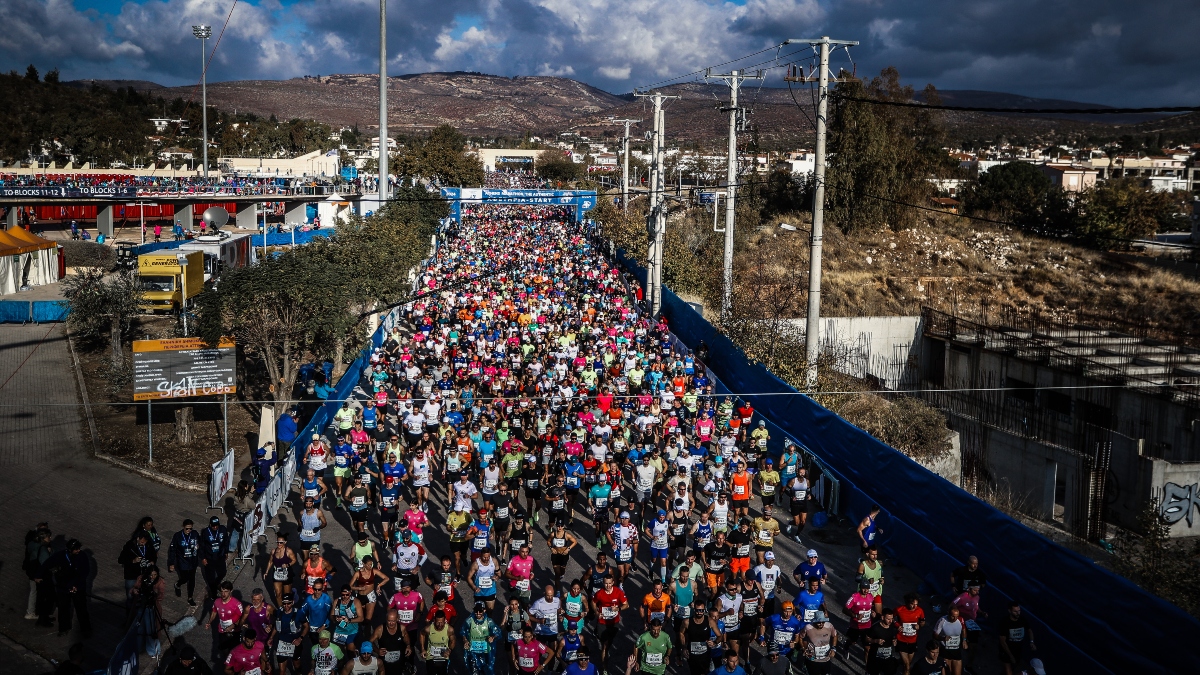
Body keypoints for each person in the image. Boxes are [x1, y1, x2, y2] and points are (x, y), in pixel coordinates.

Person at [43, 539, 91, 637]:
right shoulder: (60, 556)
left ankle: (85, 629)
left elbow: (84, 572)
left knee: (81, 609)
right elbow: (53, 569)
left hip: (77, 587)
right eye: (76, 549)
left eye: (79, 548)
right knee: (63, 608)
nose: (78, 551)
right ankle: (63, 628)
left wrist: (76, 585)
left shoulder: (82, 556)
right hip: (63, 587)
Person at [592, 574, 628, 664]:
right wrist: (596, 612)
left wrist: (618, 608)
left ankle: (606, 647)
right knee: (605, 644)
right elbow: (593, 602)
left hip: (614, 622)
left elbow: (626, 605)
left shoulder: (618, 592)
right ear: (603, 583)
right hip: (602, 621)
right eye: (606, 583)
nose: (608, 586)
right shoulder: (599, 593)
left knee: (610, 641)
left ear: (613, 583)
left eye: (609, 583)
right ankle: (604, 667)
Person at [460, 602, 501, 675]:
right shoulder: (469, 621)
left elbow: (497, 632)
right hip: (473, 651)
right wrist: (465, 640)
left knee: (487, 670)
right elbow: (463, 631)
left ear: (484, 610)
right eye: (476, 611)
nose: (478, 613)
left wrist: (493, 637)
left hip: (485, 651)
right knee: (474, 672)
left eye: (480, 611)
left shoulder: (489, 621)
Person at [168, 519, 201, 607]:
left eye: (190, 528)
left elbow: (200, 542)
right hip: (182, 561)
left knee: (192, 579)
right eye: (187, 529)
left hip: (192, 560)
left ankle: (190, 597)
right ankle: (177, 584)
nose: (189, 531)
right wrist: (171, 563)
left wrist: (198, 546)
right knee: (184, 578)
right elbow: (172, 550)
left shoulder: (194, 534)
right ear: (183, 527)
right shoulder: (178, 536)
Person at [206, 581, 245, 655]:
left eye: (226, 591)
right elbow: (214, 612)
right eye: (222, 591)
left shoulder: (237, 604)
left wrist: (232, 626)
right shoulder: (217, 602)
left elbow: (242, 617)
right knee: (223, 649)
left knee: (235, 650)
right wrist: (209, 622)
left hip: (234, 631)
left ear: (231, 591)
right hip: (222, 630)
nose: (223, 594)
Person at [273, 593, 307, 675]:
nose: (286, 606)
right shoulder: (279, 612)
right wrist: (271, 637)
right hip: (282, 643)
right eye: (284, 603)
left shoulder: (299, 613)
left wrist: (300, 638)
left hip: (295, 643)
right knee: (281, 671)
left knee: (297, 666)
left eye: (288, 603)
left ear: (292, 602)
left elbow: (306, 626)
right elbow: (276, 625)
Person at [997, 601, 1035, 675]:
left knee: (1010, 669)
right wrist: (1010, 656)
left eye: (1019, 611)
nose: (1018, 613)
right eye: (1015, 611)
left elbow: (1029, 630)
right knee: (1009, 672)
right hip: (1006, 651)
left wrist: (1032, 642)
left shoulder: (1022, 620)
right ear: (1009, 611)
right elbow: (1002, 642)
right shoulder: (1005, 622)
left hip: (1017, 651)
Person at [199, 516, 230, 601]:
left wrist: (226, 552)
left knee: (223, 572)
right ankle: (213, 594)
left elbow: (226, 541)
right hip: (209, 557)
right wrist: (203, 558)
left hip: (220, 556)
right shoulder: (205, 532)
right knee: (210, 577)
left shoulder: (223, 529)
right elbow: (202, 546)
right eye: (213, 526)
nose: (215, 527)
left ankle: (216, 584)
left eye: (217, 525)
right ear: (210, 524)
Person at [896, 593, 926, 675]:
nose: (914, 606)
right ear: (907, 603)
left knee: (908, 663)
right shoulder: (899, 610)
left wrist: (919, 625)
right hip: (901, 639)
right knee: (907, 666)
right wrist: (898, 625)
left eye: (916, 604)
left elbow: (923, 622)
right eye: (912, 604)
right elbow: (891, 619)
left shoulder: (920, 611)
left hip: (913, 640)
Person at [867, 608, 901, 675]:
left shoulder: (892, 626)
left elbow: (893, 636)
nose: (890, 621)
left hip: (888, 657)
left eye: (892, 619)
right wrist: (876, 640)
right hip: (876, 657)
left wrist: (894, 640)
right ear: (882, 617)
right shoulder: (875, 628)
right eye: (888, 619)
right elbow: (867, 639)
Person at [933, 605, 966, 675]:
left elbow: (963, 630)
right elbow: (934, 634)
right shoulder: (942, 620)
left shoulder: (960, 620)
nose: (955, 618)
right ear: (948, 614)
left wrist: (964, 640)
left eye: (957, 616)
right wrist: (943, 638)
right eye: (953, 616)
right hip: (945, 651)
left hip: (956, 651)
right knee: (947, 672)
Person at [265, 534, 298, 605]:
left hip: (287, 573)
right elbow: (270, 561)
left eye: (281, 542)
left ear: (285, 542)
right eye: (277, 542)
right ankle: (281, 610)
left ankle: (292, 595)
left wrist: (287, 565)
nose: (279, 544)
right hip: (277, 573)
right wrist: (266, 572)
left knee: (287, 594)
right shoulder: (273, 551)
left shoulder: (288, 551)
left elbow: (294, 560)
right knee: (278, 594)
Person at [801, 611, 837, 675]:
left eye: (823, 622)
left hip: (826, 658)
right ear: (814, 621)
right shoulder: (808, 628)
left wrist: (833, 648)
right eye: (818, 622)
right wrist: (803, 648)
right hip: (812, 659)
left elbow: (835, 635)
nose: (821, 624)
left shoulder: (829, 626)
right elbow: (801, 637)